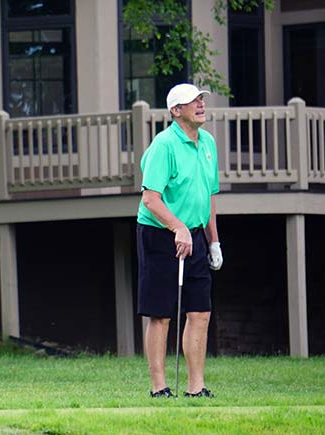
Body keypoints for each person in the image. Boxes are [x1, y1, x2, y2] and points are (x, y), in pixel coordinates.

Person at [136, 83, 223, 398]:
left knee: (200, 311)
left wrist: (213, 241)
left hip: (196, 233)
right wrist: (178, 229)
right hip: (159, 233)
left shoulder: (208, 143)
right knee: (160, 313)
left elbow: (209, 196)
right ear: (176, 111)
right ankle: (159, 387)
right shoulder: (164, 145)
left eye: (201, 99)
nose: (200, 104)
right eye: (193, 101)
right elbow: (151, 199)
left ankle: (196, 388)